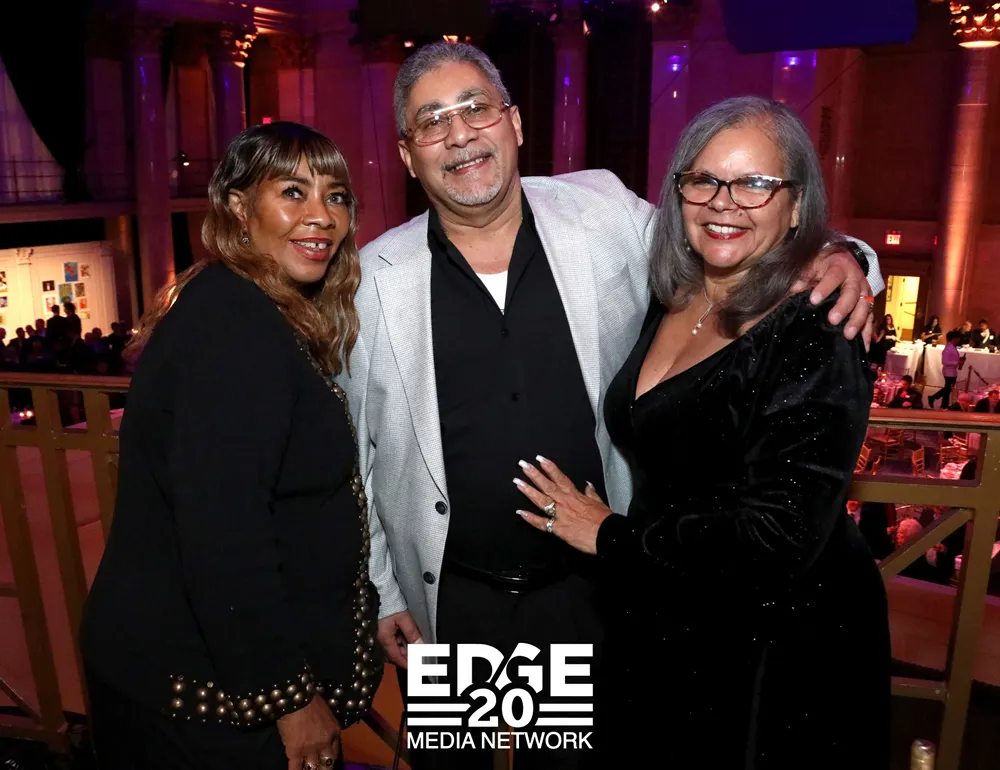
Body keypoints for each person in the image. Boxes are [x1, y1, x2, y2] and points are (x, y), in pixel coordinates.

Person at [340, 43, 883, 770]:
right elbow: (359, 458)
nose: (460, 133)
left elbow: (728, 229)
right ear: (409, 155)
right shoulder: (374, 279)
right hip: (459, 601)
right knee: (457, 764)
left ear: (515, 122)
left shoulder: (600, 214)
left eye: (476, 108)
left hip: (591, 590)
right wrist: (381, 591)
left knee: (577, 765)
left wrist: (845, 255)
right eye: (432, 121)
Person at [514, 96, 890, 768]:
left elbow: (781, 537)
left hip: (762, 644)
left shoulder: (815, 326)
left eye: (755, 183)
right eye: (704, 179)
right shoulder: (672, 291)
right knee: (468, 737)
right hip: (640, 604)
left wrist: (608, 535)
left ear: (796, 205)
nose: (724, 202)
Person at [79, 122, 382, 770]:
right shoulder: (237, 328)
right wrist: (289, 698)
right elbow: (224, 535)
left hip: (191, 681)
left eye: (335, 196)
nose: (322, 216)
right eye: (293, 193)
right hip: (202, 699)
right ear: (240, 208)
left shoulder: (239, 302)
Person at [928, 330, 963, 408]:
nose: (959, 340)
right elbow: (944, 362)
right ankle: (933, 397)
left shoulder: (951, 347)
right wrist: (957, 362)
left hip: (951, 371)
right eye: (958, 338)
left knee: (948, 388)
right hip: (949, 371)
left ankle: (944, 405)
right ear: (954, 339)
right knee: (948, 388)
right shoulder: (948, 348)